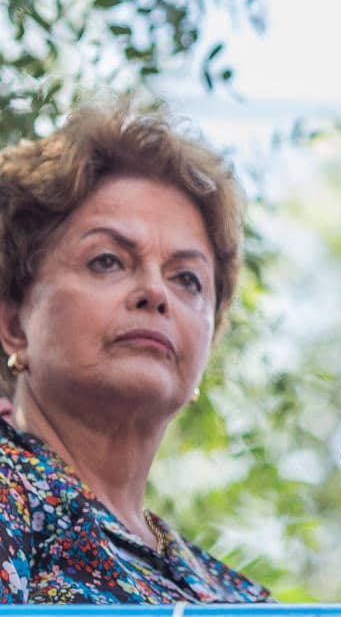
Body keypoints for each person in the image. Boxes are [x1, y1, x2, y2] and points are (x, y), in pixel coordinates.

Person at [0, 105, 272, 604]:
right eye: (108, 261)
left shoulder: (238, 597)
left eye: (187, 278)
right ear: (15, 324)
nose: (155, 292)